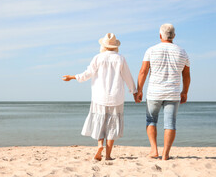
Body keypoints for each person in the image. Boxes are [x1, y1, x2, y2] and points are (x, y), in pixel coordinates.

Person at [62, 33, 137, 161]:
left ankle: (100, 145)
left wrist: (73, 77)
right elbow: (127, 76)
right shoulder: (120, 58)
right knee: (112, 124)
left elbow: (87, 73)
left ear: (103, 45)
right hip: (116, 97)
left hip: (99, 96)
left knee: (99, 121)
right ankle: (108, 155)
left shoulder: (98, 58)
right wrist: (134, 92)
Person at [135, 24, 191, 160]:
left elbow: (143, 71)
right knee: (170, 123)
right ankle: (165, 154)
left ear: (160, 35)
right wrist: (185, 92)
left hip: (154, 92)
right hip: (173, 92)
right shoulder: (182, 52)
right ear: (174, 36)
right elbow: (186, 75)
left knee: (151, 120)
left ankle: (154, 150)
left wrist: (139, 90)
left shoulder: (151, 50)